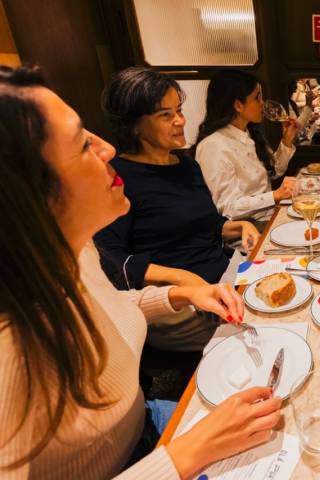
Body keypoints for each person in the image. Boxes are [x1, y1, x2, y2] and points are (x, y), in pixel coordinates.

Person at [0, 65, 281, 479]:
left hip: (146, 423)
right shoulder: (10, 348)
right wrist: (183, 456)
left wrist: (183, 294)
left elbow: (106, 306)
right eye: (81, 143)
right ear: (27, 187)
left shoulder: (74, 254)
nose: (107, 150)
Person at [94, 67, 260, 350]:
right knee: (263, 335)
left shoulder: (187, 165)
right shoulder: (116, 178)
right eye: (165, 115)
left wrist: (240, 225)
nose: (180, 121)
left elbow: (208, 225)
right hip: (177, 304)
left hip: (223, 276)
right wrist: (181, 280)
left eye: (179, 110)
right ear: (134, 125)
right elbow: (112, 260)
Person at [195, 70, 297, 224]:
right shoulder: (213, 146)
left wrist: (287, 141)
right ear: (238, 105)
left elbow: (274, 171)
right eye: (257, 98)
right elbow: (227, 208)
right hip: (247, 231)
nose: (262, 103)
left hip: (270, 218)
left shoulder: (249, 133)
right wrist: (275, 195)